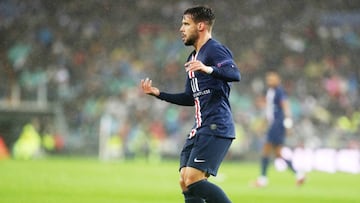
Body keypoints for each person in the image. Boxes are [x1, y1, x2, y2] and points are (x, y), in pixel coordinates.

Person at [140, 6, 240, 203]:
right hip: (200, 128)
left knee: (193, 180)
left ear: (201, 26)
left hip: (216, 125)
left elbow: (234, 74)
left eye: (186, 24)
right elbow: (189, 97)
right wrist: (159, 94)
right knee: (185, 182)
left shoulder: (214, 49)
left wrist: (208, 69)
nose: (181, 28)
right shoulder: (192, 58)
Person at [254, 71, 305, 187]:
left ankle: (262, 179)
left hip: (278, 125)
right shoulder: (270, 92)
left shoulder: (279, 91)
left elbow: (286, 106)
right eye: (269, 79)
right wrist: (262, 125)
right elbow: (269, 112)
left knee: (266, 150)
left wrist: (288, 124)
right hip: (274, 124)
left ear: (278, 80)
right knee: (278, 154)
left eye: (272, 79)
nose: (270, 81)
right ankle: (299, 174)